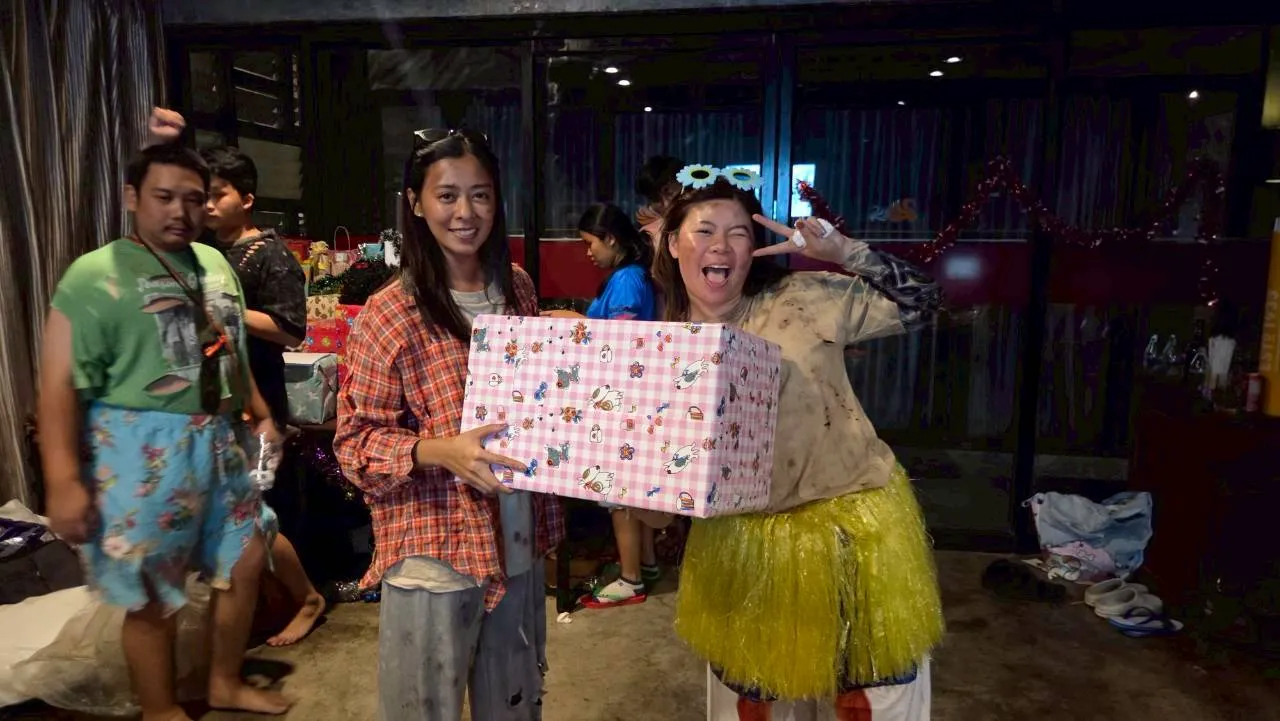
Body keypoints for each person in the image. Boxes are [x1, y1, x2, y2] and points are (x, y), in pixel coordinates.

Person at [650, 166, 945, 720]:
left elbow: (927, 302)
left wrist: (845, 253)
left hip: (854, 536)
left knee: (872, 703)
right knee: (753, 707)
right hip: (742, 546)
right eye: (704, 231)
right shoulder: (661, 347)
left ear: (754, 249)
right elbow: (658, 495)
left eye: (738, 233)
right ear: (672, 243)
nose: (721, 246)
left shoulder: (802, 298)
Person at [37, 142, 293, 720]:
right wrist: (63, 480)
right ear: (133, 197)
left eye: (193, 199)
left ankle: (224, 682)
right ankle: (161, 710)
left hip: (221, 441)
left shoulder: (214, 263)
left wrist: (258, 409)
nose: (180, 210)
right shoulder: (92, 275)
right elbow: (57, 385)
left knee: (246, 559)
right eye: (164, 197)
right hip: (140, 449)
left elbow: (229, 345)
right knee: (152, 590)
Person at [333, 128, 564, 721]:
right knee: (422, 709)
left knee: (514, 704)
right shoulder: (391, 312)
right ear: (415, 203)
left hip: (514, 534)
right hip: (435, 550)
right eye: (447, 195)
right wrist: (440, 451)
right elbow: (355, 445)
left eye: (480, 195)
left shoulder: (516, 288)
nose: (466, 212)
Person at [198, 143, 327, 647]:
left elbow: (291, 329)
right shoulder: (203, 251)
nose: (208, 205)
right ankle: (260, 603)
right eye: (203, 196)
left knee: (255, 509)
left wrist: (223, 310)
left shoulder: (269, 254)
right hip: (212, 399)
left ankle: (297, 600)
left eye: (219, 195)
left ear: (247, 198)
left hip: (257, 396)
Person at [543, 202, 660, 607]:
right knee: (634, 487)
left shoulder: (627, 280)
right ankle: (645, 564)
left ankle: (631, 579)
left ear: (611, 239)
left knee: (617, 489)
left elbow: (620, 341)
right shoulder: (631, 276)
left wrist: (572, 320)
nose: (588, 252)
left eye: (590, 243)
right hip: (629, 394)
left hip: (622, 394)